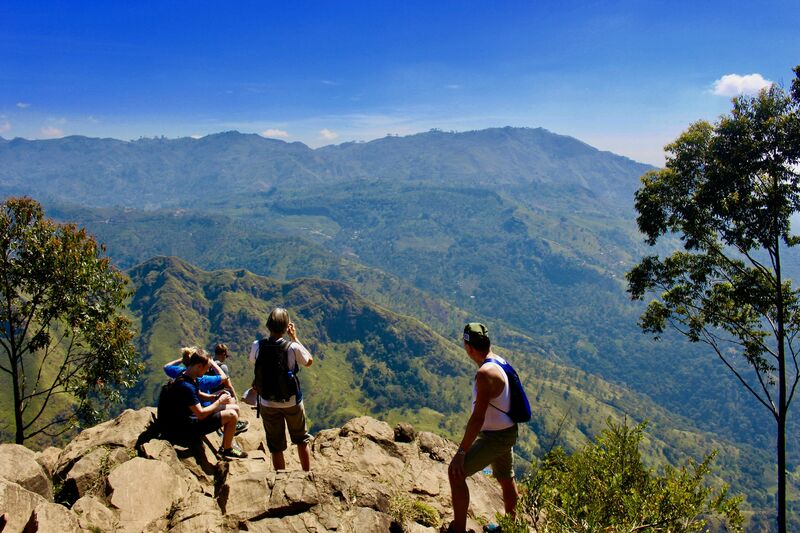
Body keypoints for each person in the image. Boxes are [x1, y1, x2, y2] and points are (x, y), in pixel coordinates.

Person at [447, 323, 519, 533]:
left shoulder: (485, 374)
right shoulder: (498, 361)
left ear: (468, 347)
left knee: (456, 474)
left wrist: (461, 453)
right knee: (506, 477)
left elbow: (477, 419)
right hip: (507, 431)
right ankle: (510, 527)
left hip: (496, 438)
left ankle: (458, 529)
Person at [249, 308, 314, 471]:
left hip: (267, 402)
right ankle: (307, 474)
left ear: (268, 326)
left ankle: (280, 478)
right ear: (286, 328)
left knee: (275, 446)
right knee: (301, 439)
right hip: (291, 401)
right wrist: (295, 338)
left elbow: (253, 362)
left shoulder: (257, 345)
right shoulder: (292, 347)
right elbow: (309, 361)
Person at [157, 349, 248, 459]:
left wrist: (214, 397)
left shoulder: (186, 375)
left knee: (234, 408)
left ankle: (227, 443)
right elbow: (201, 414)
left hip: (186, 417)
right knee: (232, 415)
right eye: (206, 368)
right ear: (199, 366)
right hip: (185, 428)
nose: (207, 371)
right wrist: (219, 401)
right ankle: (227, 450)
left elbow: (198, 393)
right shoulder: (187, 386)